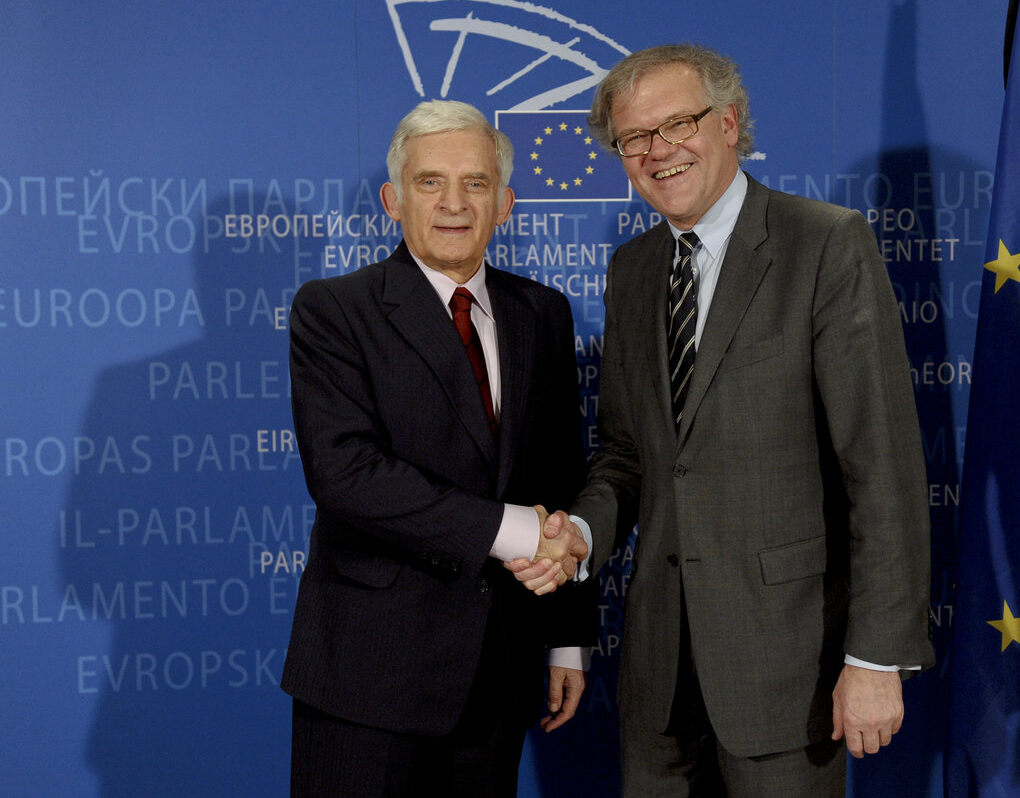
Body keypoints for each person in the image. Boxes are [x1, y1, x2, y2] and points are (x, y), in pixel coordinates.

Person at [509, 44, 933, 795]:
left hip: (788, 673)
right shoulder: (633, 268)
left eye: (677, 124)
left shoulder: (823, 243)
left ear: (729, 123)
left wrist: (873, 661)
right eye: (633, 138)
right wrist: (580, 533)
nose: (656, 152)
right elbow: (626, 455)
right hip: (659, 675)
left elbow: (882, 468)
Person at [282, 99, 594, 796]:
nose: (454, 203)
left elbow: (560, 474)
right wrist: (516, 532)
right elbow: (347, 475)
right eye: (430, 182)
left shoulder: (540, 312)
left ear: (505, 202)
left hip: (499, 672)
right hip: (368, 680)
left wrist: (567, 633)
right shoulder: (334, 309)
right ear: (393, 200)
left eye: (475, 183)